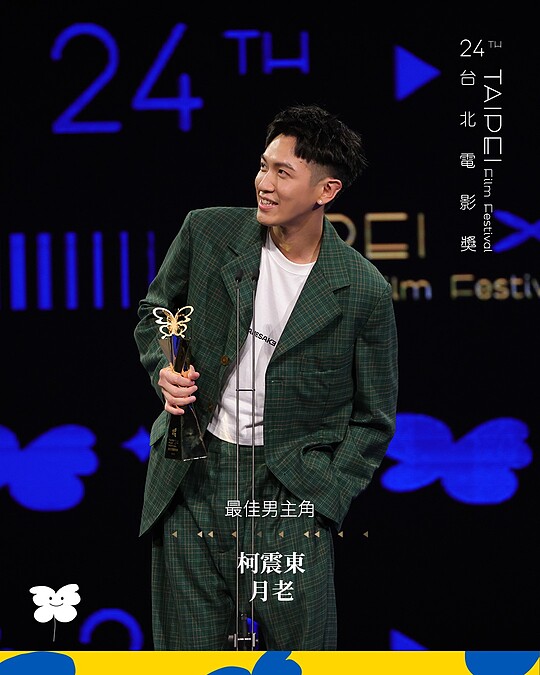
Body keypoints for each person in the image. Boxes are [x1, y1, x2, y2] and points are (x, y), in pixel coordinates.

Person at [133, 103, 398, 651]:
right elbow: (156, 312)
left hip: (290, 494)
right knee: (188, 657)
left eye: (283, 172)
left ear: (326, 191)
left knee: (301, 661)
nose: (264, 183)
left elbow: (373, 419)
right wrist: (164, 368)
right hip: (193, 475)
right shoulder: (207, 232)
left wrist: (327, 494)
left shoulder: (362, 289)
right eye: (262, 166)